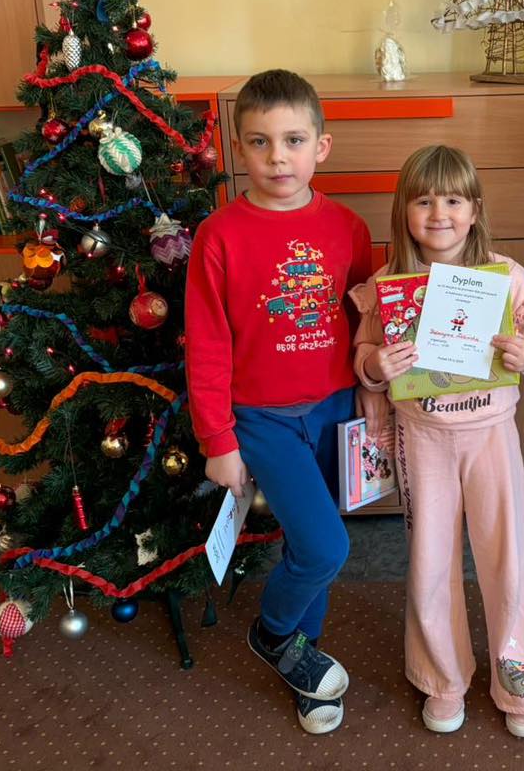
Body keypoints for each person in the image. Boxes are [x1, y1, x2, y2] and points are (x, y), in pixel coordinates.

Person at [185, 69, 372, 735]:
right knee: (324, 549)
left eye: (293, 140)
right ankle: (271, 634)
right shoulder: (220, 235)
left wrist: (372, 402)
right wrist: (219, 441)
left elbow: (369, 322)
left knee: (306, 543)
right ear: (239, 148)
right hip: (261, 420)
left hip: (334, 410)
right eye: (260, 142)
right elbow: (207, 343)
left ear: (321, 146)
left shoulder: (348, 227)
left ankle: (303, 663)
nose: (277, 157)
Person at [352, 144, 524, 738]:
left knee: (507, 562)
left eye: (452, 201)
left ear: (474, 210)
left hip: (490, 437)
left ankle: (520, 681)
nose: (438, 214)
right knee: (430, 564)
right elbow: (362, 355)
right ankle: (442, 678)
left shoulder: (505, 277)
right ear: (404, 210)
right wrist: (375, 366)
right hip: (422, 441)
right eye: (423, 201)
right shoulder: (388, 284)